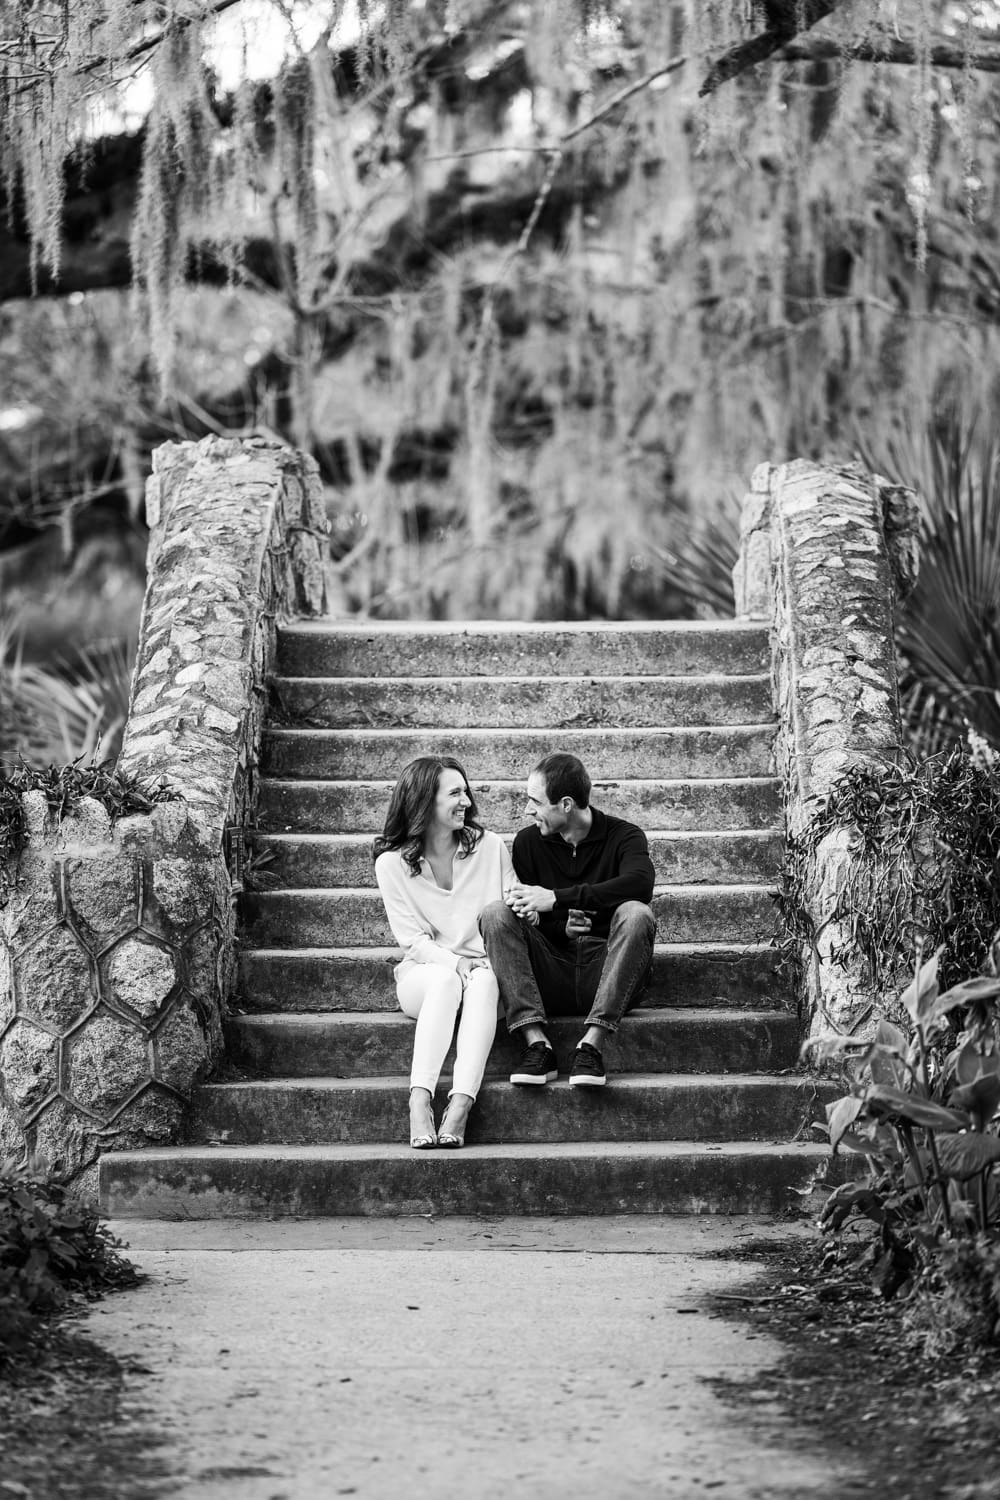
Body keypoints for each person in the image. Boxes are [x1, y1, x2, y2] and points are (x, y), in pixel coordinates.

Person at [479, 750, 655, 1088]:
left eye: (535, 801)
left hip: (609, 974)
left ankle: (591, 1046)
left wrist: (556, 898)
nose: (527, 810)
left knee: (636, 914)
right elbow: (534, 921)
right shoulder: (529, 842)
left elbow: (640, 884)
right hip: (551, 974)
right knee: (495, 913)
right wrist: (560, 927)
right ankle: (536, 1045)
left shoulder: (625, 836)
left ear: (566, 805)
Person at [373, 756, 514, 1149]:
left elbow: (510, 909)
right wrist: (457, 962)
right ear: (423, 802)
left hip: (484, 972)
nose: (466, 800)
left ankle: (461, 1104)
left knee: (485, 980)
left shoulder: (490, 847)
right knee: (445, 979)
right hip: (425, 974)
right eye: (455, 793)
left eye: (465, 791)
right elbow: (413, 942)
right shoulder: (392, 864)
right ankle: (420, 1099)